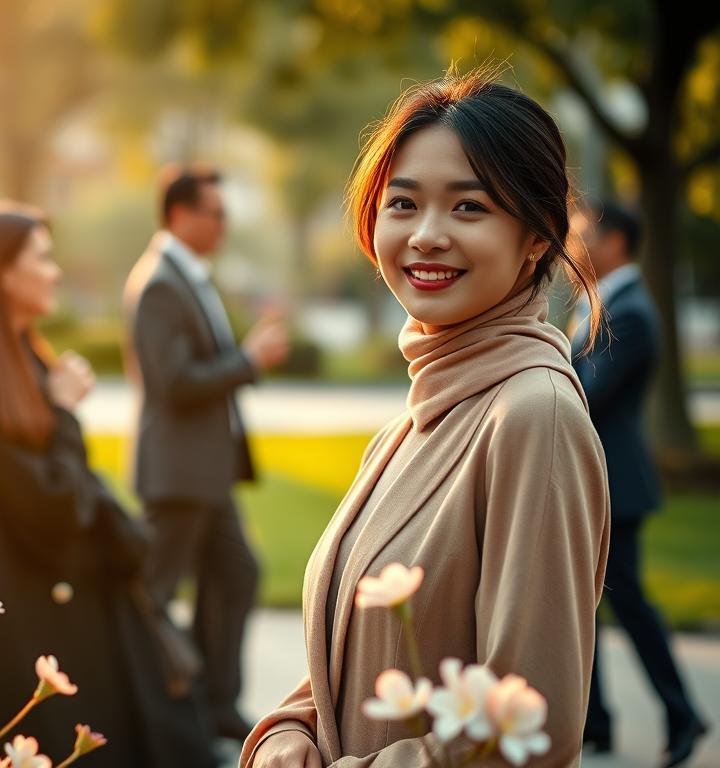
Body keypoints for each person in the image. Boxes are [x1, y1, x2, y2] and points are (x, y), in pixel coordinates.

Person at [242, 70, 611, 767]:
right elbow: (351, 663)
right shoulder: (405, 428)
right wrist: (289, 734)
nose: (426, 236)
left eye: (469, 209)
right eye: (403, 204)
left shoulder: (535, 417)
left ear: (536, 236)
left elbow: (527, 727)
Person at [0, 202, 216, 768]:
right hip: (21, 635)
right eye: (43, 259)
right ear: (0, 273)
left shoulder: (22, 361)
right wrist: (65, 415)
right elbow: (51, 508)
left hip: (64, 612)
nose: (55, 272)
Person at [122, 165, 290, 742]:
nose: (225, 223)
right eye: (215, 212)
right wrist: (249, 361)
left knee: (237, 575)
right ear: (179, 214)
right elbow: (173, 383)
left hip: (205, 473)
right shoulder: (160, 283)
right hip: (177, 473)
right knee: (152, 595)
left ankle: (215, 705)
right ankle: (148, 708)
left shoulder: (188, 275)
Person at [570, 200, 708, 767]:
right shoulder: (603, 304)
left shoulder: (629, 313)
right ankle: (594, 719)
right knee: (584, 604)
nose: (573, 246)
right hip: (595, 481)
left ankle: (684, 714)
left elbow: (587, 393)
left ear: (617, 243)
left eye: (583, 235)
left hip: (616, 486)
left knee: (631, 609)